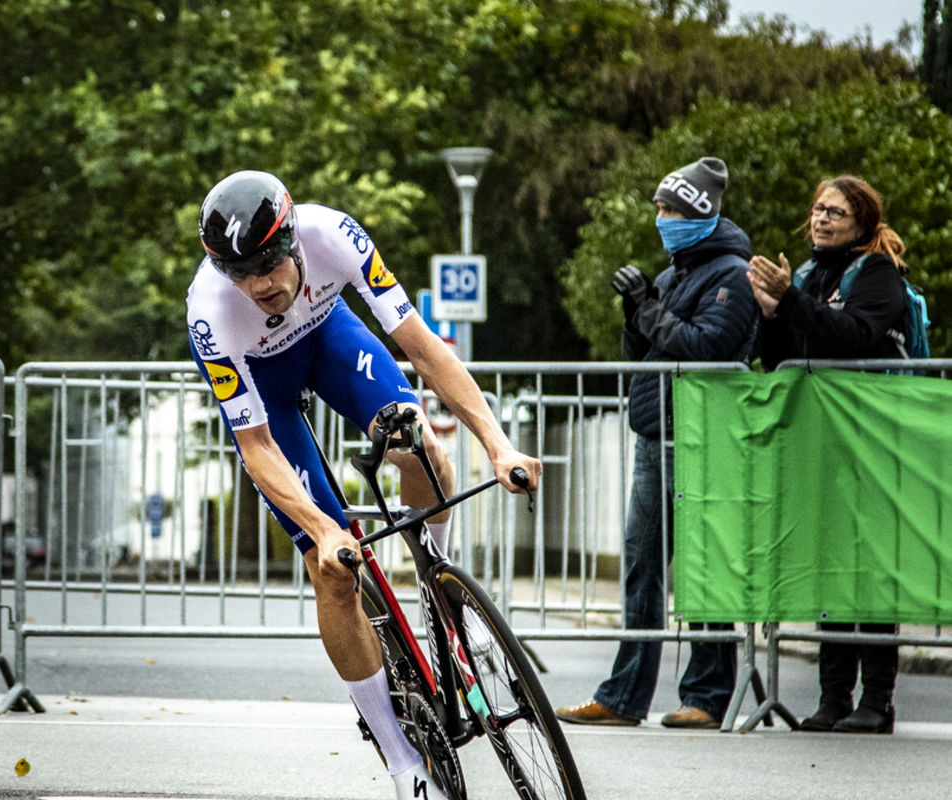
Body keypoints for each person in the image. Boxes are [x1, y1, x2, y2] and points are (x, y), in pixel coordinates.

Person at [186, 170, 541, 800]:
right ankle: (402, 761)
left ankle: (438, 577)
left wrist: (497, 441)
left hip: (327, 336)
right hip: (264, 390)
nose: (262, 283)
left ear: (294, 241)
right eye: (243, 273)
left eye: (270, 262)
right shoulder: (209, 311)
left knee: (419, 442)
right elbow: (256, 445)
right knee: (334, 571)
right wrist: (323, 531)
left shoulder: (334, 234)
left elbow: (423, 348)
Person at [555, 157, 758, 729]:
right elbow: (644, 354)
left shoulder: (731, 274)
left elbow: (707, 348)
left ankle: (707, 696)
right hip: (656, 433)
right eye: (659, 209)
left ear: (698, 212)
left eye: (669, 209)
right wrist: (633, 313)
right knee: (642, 563)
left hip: (703, 437)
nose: (661, 218)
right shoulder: (675, 274)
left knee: (702, 564)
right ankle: (623, 697)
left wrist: (648, 309)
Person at [747, 174, 906, 734]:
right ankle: (833, 697)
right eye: (817, 208)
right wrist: (771, 315)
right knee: (832, 570)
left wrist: (790, 300)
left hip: (875, 445)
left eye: (836, 212)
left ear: (861, 222)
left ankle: (877, 700)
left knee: (871, 571)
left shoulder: (879, 275)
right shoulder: (810, 276)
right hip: (822, 445)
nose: (821, 218)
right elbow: (780, 361)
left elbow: (856, 336)